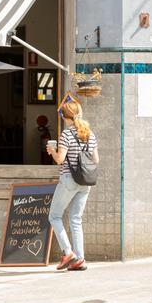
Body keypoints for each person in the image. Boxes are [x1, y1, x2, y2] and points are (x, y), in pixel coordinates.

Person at [46, 100, 99, 271]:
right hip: (85, 181)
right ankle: (80, 259)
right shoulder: (90, 134)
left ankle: (68, 252)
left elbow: (60, 160)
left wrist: (52, 152)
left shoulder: (66, 134)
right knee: (76, 219)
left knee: (54, 216)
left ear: (64, 116)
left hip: (69, 179)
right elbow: (96, 159)